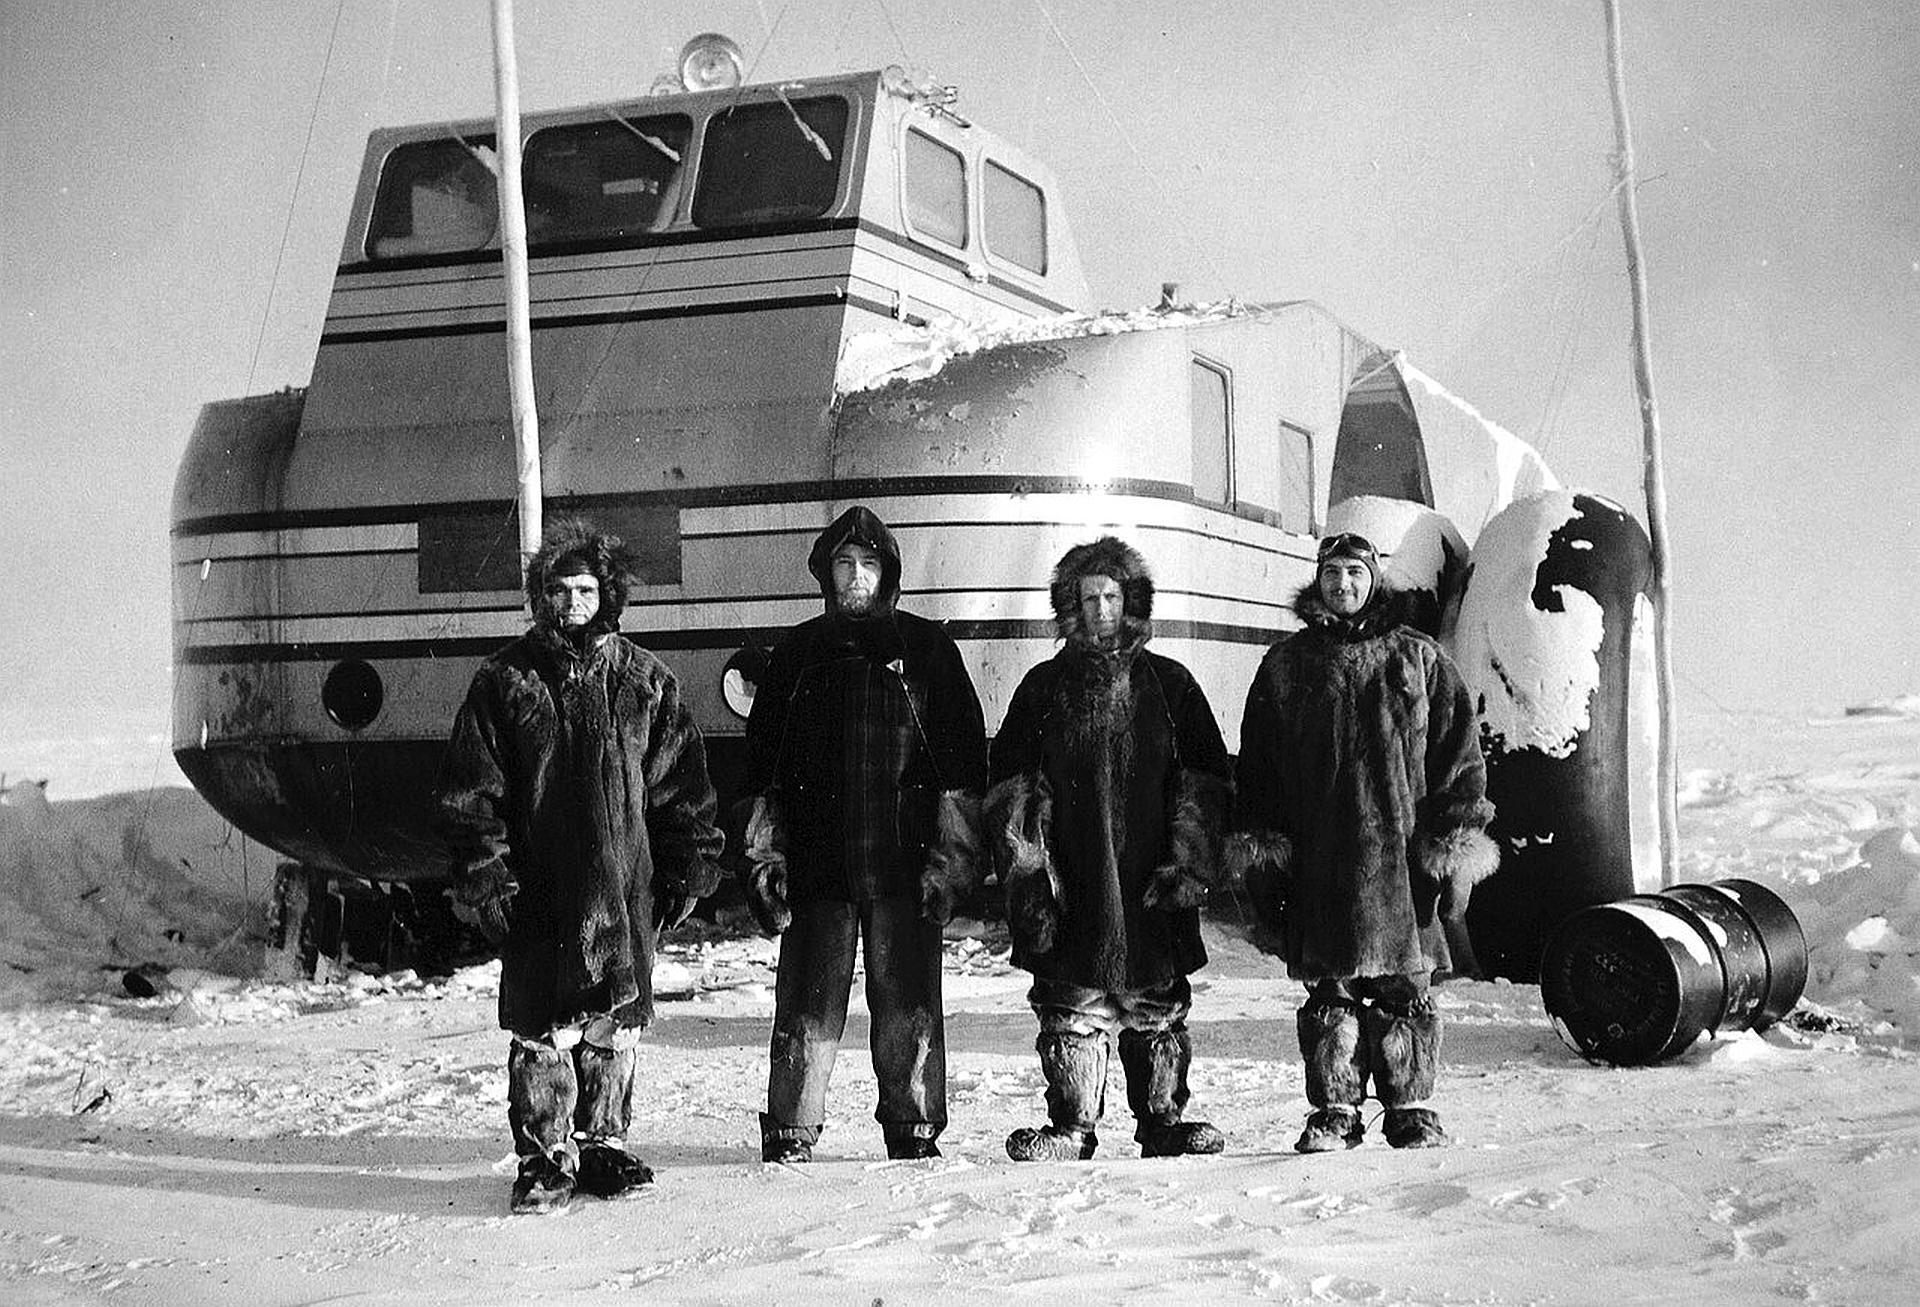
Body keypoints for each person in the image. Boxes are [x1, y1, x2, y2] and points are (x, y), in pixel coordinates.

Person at [437, 519, 725, 1213]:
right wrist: (490, 882)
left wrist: (683, 877)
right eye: (560, 590)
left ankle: (604, 1145)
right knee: (542, 1033)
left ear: (609, 593)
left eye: (586, 588)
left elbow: (684, 791)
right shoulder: (504, 682)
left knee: (612, 1024)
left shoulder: (645, 681)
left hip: (625, 895)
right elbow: (470, 796)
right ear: (541, 596)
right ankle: (542, 1159)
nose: (573, 603)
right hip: (539, 896)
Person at [1230, 532, 1498, 1152]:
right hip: (1322, 862)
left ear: (1374, 579)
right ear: (1317, 581)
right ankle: (1334, 1111)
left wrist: (1451, 848)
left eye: (1355, 572)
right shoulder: (1287, 665)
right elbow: (1260, 771)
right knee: (1332, 990)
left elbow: (1460, 758)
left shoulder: (1419, 659)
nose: (1343, 585)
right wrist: (1263, 854)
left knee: (1406, 989)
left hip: (1402, 866)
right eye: (1332, 574)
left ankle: (1409, 1108)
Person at [738, 505, 988, 1163]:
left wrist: (952, 861)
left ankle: (913, 1126)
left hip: (904, 864)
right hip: (820, 861)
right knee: (806, 1003)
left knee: (909, 1003)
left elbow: (961, 769)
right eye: (845, 564)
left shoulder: (927, 650)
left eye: (868, 564)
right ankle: (792, 1125)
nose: (856, 576)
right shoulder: (798, 652)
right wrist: (766, 857)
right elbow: (761, 768)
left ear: (888, 574)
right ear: (827, 572)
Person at [987, 536, 1233, 1161]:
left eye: (1112, 596)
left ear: (1132, 602)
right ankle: (1072, 1128)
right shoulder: (1043, 689)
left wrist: (1189, 865)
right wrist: (1029, 875)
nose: (1101, 609)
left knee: (1156, 1006)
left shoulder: (1171, 686)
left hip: (1150, 876)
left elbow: (1205, 783)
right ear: (1070, 605)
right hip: (1075, 878)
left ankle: (1162, 1123)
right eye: (1088, 597)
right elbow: (1010, 788)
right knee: (1072, 1004)